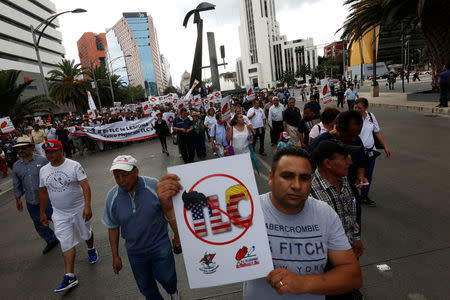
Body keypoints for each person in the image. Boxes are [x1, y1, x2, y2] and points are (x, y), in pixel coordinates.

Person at [155, 147, 363, 299]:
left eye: (305, 178)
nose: (297, 185)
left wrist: (304, 283)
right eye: (287, 176)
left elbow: (352, 276)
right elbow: (199, 243)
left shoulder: (325, 214)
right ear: (271, 178)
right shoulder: (246, 209)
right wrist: (171, 211)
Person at [102, 155, 180, 300]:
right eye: (116, 176)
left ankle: (173, 293)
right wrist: (115, 256)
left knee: (168, 278)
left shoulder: (154, 186)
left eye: (125, 175)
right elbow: (112, 227)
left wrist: (177, 236)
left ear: (135, 172)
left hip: (160, 245)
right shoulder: (112, 197)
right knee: (146, 287)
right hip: (135, 251)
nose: (121, 180)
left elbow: (169, 211)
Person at [38, 140, 98, 293]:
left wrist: (87, 205)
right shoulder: (44, 170)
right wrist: (42, 212)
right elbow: (43, 192)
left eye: (53, 151)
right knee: (65, 242)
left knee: (86, 233)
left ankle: (91, 248)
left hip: (78, 209)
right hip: (59, 213)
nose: (50, 155)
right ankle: (70, 276)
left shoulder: (74, 165)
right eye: (47, 152)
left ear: (61, 150)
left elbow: (85, 185)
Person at [310, 140, 364, 299]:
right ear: (328, 163)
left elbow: (350, 211)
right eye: (344, 158)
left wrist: (356, 238)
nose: (350, 162)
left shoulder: (344, 180)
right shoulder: (310, 192)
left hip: (348, 253)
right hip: (327, 263)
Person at [308, 111, 369, 238]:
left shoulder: (356, 140)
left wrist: (360, 176)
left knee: (351, 237)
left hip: (350, 197)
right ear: (339, 128)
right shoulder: (320, 143)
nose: (354, 139)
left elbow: (361, 162)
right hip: (329, 201)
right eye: (351, 135)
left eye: (357, 135)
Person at [12, 136, 58, 254]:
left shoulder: (42, 161)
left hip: (48, 199)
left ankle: (65, 236)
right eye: (19, 148)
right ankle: (51, 240)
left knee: (56, 218)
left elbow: (53, 175)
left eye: (23, 147)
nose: (21, 150)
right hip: (31, 201)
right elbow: (16, 184)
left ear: (32, 147)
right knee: (38, 223)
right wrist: (18, 199)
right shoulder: (16, 166)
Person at [354, 98, 392, 206]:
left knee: (368, 175)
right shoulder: (352, 118)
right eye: (355, 107)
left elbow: (377, 132)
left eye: (359, 108)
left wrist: (386, 147)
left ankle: (364, 196)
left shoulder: (371, 116)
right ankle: (353, 197)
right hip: (356, 153)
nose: (356, 110)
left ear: (366, 108)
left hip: (370, 152)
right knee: (354, 175)